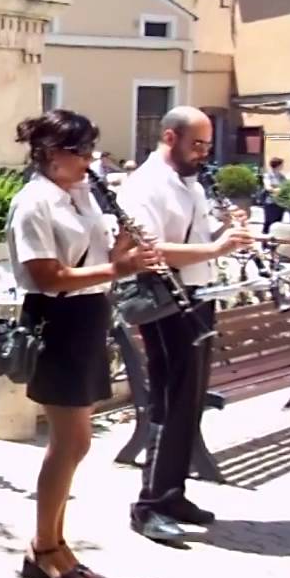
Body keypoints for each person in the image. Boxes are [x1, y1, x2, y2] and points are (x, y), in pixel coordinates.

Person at [8, 110, 160, 578]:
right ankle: (43, 547)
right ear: (52, 153)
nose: (90, 160)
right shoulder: (35, 202)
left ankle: (56, 543)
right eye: (82, 151)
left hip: (89, 315)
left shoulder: (81, 196)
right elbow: (46, 275)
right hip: (57, 319)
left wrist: (127, 255)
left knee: (77, 441)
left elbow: (99, 260)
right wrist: (118, 269)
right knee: (68, 441)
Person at [119, 106, 254, 542]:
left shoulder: (190, 182)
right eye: (196, 144)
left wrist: (227, 229)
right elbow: (153, 249)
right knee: (168, 398)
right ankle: (148, 506)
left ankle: (172, 493)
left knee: (189, 401)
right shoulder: (144, 185)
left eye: (207, 146)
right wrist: (216, 249)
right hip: (163, 301)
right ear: (171, 137)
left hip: (196, 296)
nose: (203, 154)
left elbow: (197, 234)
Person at [261, 157, 288, 235]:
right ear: (278, 165)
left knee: (278, 222)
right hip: (270, 201)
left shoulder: (282, 176)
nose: (283, 166)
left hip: (280, 202)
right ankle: (265, 240)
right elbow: (267, 187)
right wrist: (277, 190)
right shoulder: (268, 175)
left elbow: (286, 186)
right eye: (282, 165)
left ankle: (275, 240)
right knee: (269, 221)